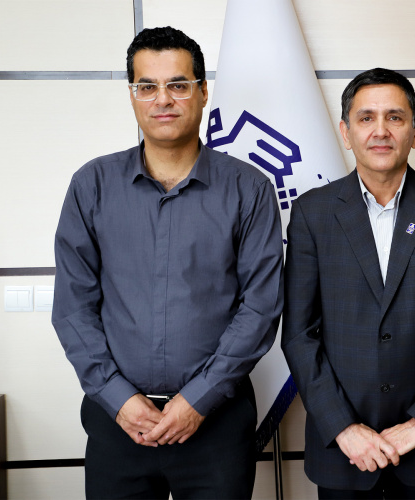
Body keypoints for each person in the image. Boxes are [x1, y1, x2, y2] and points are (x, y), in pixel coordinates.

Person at [52, 26, 283, 499]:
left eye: (178, 85)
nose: (163, 100)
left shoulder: (250, 190)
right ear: (132, 95)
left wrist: (198, 400)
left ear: (202, 92)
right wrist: (118, 398)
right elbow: (73, 307)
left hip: (216, 423)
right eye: (147, 86)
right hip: (118, 422)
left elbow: (260, 308)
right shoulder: (91, 186)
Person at [282, 68, 415, 499]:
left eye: (395, 117)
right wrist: (343, 427)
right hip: (344, 451)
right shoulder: (312, 214)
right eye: (366, 118)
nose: (381, 130)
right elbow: (299, 336)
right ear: (346, 132)